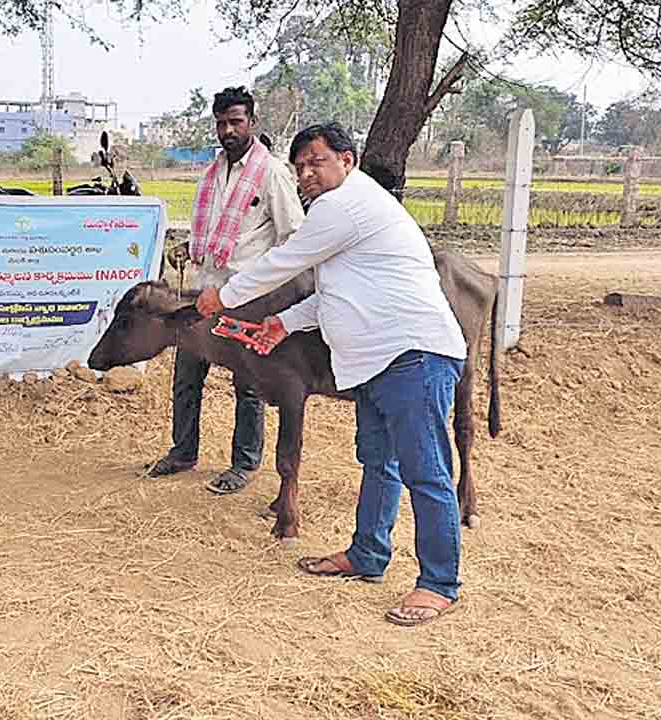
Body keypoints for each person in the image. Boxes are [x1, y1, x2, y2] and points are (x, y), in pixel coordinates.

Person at [195, 122, 469, 627]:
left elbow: (284, 260)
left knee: (425, 471)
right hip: (380, 362)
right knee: (380, 464)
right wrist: (282, 323)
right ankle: (368, 554)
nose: (306, 174)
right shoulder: (348, 213)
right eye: (299, 166)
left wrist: (224, 296)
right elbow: (333, 294)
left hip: (414, 356)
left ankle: (439, 583)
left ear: (348, 160)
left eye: (316, 162)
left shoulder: (345, 205)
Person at [146, 86, 304, 494]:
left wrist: (266, 285)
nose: (228, 130)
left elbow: (294, 237)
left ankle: (244, 464)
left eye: (236, 121)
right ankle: (183, 452)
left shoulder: (271, 173)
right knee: (187, 375)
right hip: (204, 293)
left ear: (252, 122)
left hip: (248, 299)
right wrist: (189, 249)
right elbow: (216, 233)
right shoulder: (212, 174)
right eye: (221, 123)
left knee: (248, 384)